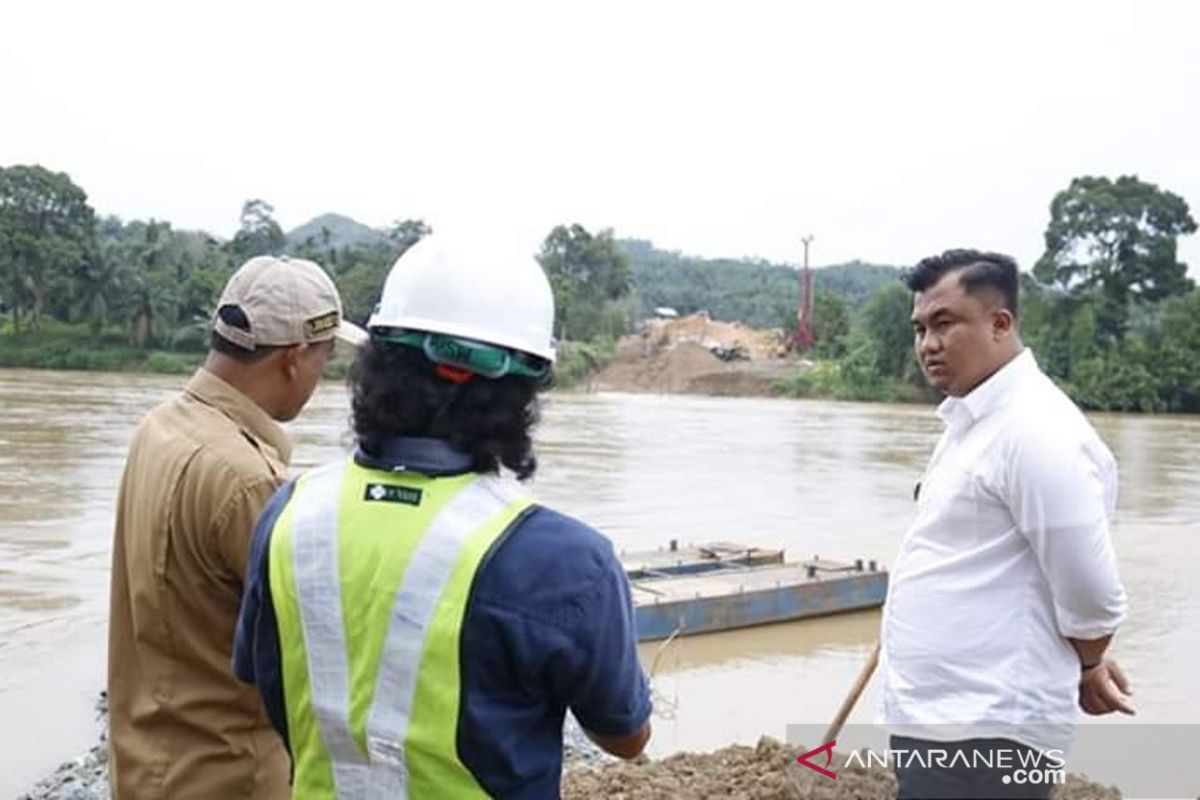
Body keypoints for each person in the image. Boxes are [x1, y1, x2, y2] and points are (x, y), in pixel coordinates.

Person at [234, 238, 652, 799]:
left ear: (377, 363)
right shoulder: (565, 560)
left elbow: (266, 684)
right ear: (521, 393)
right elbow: (626, 737)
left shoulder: (289, 515)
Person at [108, 255, 364, 799]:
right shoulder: (249, 482)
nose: (321, 379)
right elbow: (308, 656)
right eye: (325, 360)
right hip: (227, 776)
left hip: (143, 764)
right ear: (294, 359)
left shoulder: (158, 429)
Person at [879, 249, 1132, 800]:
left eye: (945, 324)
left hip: (990, 733)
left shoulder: (1036, 431)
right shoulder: (972, 419)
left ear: (1000, 323)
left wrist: (1088, 664)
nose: (928, 344)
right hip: (942, 723)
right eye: (920, 328)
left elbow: (1090, 591)